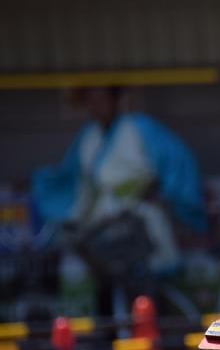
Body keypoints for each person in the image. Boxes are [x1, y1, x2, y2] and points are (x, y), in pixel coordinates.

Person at [31, 86, 207, 274]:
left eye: (101, 100)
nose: (96, 107)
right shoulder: (88, 135)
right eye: (91, 102)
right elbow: (72, 176)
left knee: (152, 268)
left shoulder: (140, 127)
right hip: (101, 219)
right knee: (101, 268)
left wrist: (166, 193)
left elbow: (176, 160)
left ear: (115, 101)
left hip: (139, 215)